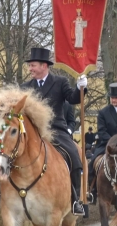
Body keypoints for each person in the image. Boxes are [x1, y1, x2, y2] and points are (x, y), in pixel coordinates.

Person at [12, 47, 87, 216]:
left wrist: (80, 87)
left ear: (44, 66)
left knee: (74, 156)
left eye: (33, 65)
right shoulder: (25, 87)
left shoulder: (60, 82)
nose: (30, 69)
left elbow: (73, 99)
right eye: (30, 66)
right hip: (32, 132)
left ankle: (75, 200)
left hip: (55, 130)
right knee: (7, 153)